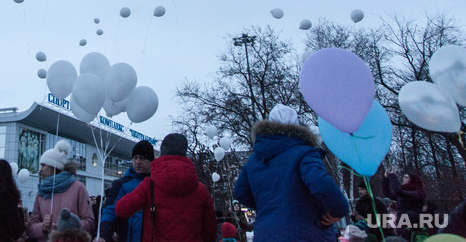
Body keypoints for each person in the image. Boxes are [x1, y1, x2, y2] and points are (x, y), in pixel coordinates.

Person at [233, 104, 348, 241]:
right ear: (297, 127)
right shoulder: (305, 153)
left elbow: (240, 192)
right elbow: (321, 183)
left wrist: (269, 206)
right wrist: (339, 209)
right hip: (305, 232)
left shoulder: (254, 160)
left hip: (266, 234)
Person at [115, 133, 216, 242]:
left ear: (163, 153)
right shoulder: (201, 190)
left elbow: (121, 209)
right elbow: (210, 231)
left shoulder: (149, 185)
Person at [28, 140, 95, 242]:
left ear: (55, 167)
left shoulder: (78, 188)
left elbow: (89, 222)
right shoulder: (41, 192)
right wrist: (43, 227)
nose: (40, 170)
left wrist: (69, 226)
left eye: (44, 165)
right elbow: (31, 227)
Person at [96, 140, 154, 242]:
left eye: (142, 158)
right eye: (135, 158)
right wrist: (104, 235)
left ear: (150, 160)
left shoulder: (157, 183)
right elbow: (109, 211)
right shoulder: (121, 184)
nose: (138, 162)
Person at [382, 166, 425, 240]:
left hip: (412, 228)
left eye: (406, 177)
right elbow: (387, 193)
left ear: (412, 181)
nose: (403, 178)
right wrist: (385, 178)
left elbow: (399, 190)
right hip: (401, 226)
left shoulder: (418, 193)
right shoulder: (402, 195)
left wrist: (392, 175)